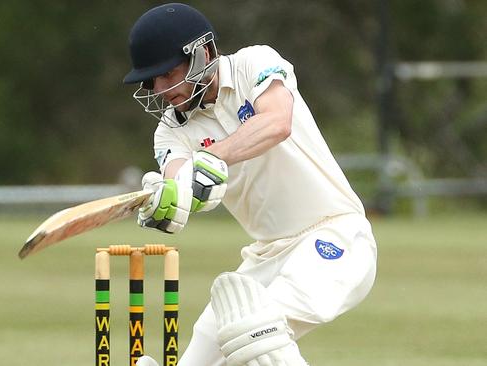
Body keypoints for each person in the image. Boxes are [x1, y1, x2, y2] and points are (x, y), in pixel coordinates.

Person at [123, 3, 378, 366]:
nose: (161, 89)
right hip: (266, 255)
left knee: (253, 332)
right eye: (151, 81)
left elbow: (277, 122)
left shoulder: (253, 63)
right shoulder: (170, 132)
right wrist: (165, 200)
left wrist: (212, 158)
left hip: (336, 235)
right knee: (208, 347)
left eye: (167, 74)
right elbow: (180, 183)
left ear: (203, 53)